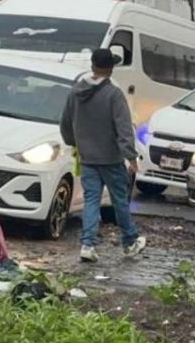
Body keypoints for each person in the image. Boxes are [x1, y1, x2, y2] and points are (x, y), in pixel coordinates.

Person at [60, 48, 146, 263]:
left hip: (87, 157)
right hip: (111, 159)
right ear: (111, 68)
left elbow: (65, 123)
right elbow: (124, 128)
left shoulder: (76, 91)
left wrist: (74, 143)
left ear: (92, 65)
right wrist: (132, 158)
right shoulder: (114, 94)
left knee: (91, 200)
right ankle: (130, 241)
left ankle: (87, 245)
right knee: (119, 201)